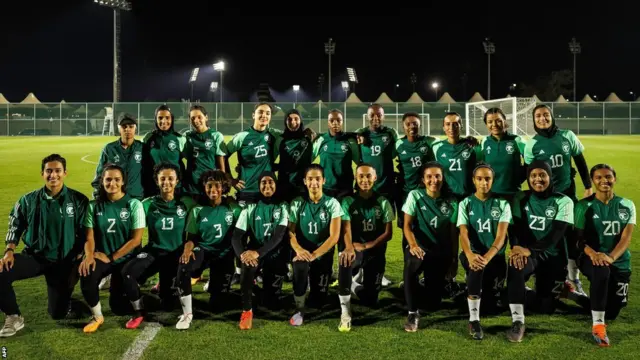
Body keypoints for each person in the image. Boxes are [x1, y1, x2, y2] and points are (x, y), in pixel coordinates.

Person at [0, 154, 88, 338]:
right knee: (1, 271)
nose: (53, 175)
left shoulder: (79, 200)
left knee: (57, 313)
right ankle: (14, 316)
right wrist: (9, 250)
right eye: (49, 171)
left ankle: (69, 302)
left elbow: (85, 233)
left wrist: (79, 258)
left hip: (64, 261)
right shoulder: (27, 200)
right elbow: (15, 225)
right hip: (35, 258)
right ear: (42, 173)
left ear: (65, 173)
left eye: (57, 171)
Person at [523, 104, 592, 294]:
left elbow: (579, 160)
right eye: (538, 116)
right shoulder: (532, 144)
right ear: (534, 120)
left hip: (567, 194)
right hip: (544, 198)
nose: (542, 118)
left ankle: (574, 278)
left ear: (552, 117)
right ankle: (538, 272)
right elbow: (529, 172)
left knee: (570, 236)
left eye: (546, 115)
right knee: (542, 233)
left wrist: (587, 185)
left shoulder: (567, 135)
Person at [120, 163, 196, 329]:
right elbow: (136, 230)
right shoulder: (147, 204)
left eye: (171, 178)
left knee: (168, 304)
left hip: (176, 254)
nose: (166, 182)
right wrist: (136, 252)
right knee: (127, 273)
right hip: (154, 252)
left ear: (177, 181)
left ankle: (167, 287)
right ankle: (139, 312)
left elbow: (194, 230)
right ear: (156, 181)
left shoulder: (187, 203)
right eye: (163, 178)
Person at [506, 161, 574, 343]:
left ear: (550, 177)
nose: (538, 179)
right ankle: (518, 320)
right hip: (529, 256)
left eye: (542, 175)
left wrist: (529, 250)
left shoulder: (563, 200)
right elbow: (515, 229)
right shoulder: (520, 197)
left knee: (546, 307)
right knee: (515, 266)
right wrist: (516, 250)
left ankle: (525, 291)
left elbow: (556, 234)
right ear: (528, 178)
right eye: (533, 176)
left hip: (553, 258)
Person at [78, 163, 146, 333]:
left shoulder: (133, 204)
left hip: (125, 258)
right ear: (102, 181)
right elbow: (89, 237)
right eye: (108, 179)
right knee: (87, 273)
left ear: (123, 182)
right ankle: (97, 316)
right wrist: (89, 256)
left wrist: (113, 257)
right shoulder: (94, 206)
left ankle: (141, 303)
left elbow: (136, 240)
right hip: (103, 257)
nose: (112, 183)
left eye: (117, 179)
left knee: (118, 307)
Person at [575, 164, 635, 347]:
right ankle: (598, 326)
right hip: (590, 257)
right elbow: (577, 240)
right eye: (599, 177)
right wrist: (593, 254)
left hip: (619, 261)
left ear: (614, 179)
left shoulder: (627, 205)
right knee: (601, 273)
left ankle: (573, 296)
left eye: (608, 176)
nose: (604, 181)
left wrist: (611, 258)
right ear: (593, 181)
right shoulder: (583, 206)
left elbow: (626, 238)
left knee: (614, 310)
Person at [174, 170, 240, 330]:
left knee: (218, 305)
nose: (213, 190)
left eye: (217, 186)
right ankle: (187, 314)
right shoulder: (197, 210)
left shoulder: (234, 208)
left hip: (224, 255)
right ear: (204, 187)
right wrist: (187, 251)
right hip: (204, 251)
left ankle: (218, 286)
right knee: (184, 267)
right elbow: (191, 237)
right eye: (209, 186)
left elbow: (241, 236)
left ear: (223, 187)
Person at [401, 162, 458, 332]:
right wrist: (413, 245)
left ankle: (426, 285)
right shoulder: (415, 195)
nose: (434, 180)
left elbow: (454, 233)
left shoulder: (452, 201)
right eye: (429, 177)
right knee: (412, 264)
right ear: (423, 180)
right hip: (419, 247)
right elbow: (407, 226)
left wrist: (454, 259)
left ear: (443, 178)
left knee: (433, 304)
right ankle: (412, 313)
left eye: (437, 176)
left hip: (440, 251)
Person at [337, 163, 394, 332]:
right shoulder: (348, 201)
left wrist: (370, 244)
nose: (364, 179)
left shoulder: (383, 201)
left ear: (375, 178)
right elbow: (345, 228)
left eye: (368, 176)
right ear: (356, 178)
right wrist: (349, 246)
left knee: (371, 300)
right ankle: (345, 310)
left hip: (374, 250)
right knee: (346, 260)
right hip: (354, 248)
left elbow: (388, 233)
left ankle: (355, 284)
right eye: (361, 176)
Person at [457, 163, 511, 340]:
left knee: (491, 306)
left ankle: (472, 289)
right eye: (479, 179)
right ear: (473, 181)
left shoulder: (502, 203)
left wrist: (487, 257)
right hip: (472, 255)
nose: (483, 183)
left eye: (487, 179)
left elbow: (501, 237)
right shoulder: (465, 203)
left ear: (493, 180)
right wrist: (471, 255)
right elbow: (463, 234)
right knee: (476, 269)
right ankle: (473, 320)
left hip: (495, 258)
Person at [231, 171, 289, 330]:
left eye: (271, 182)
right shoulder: (250, 208)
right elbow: (236, 237)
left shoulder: (282, 206)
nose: (267, 185)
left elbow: (278, 237)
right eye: (264, 182)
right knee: (247, 268)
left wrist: (258, 253)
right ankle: (247, 311)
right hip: (255, 254)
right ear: (259, 186)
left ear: (276, 185)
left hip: (275, 253)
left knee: (272, 303)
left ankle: (256, 290)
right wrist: (243, 255)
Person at [431, 112, 481, 297]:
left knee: (473, 240)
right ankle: (447, 279)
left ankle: (473, 279)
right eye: (448, 124)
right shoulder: (436, 147)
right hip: (447, 201)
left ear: (461, 125)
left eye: (456, 124)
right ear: (443, 127)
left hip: (469, 201)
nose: (452, 127)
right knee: (447, 241)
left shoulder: (473, 147)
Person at [288, 164, 343, 326]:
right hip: (302, 252)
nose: (314, 183)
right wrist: (299, 250)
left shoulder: (332, 203)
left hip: (322, 255)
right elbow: (290, 232)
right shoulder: (297, 203)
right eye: (310, 179)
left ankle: (316, 285)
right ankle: (299, 307)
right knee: (300, 266)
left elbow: (334, 237)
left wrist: (314, 255)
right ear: (305, 181)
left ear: (323, 181)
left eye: (317, 179)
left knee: (318, 301)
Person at [90, 113, 145, 200]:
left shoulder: (142, 148)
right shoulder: (109, 149)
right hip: (115, 199)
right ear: (119, 128)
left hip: (137, 199)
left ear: (135, 128)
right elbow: (99, 176)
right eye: (124, 126)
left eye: (131, 126)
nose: (127, 129)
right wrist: (98, 196)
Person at [478, 108, 526, 202]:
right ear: (486, 124)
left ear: (504, 121)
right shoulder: (485, 142)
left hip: (513, 194)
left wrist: (518, 178)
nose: (494, 125)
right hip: (490, 196)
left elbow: (531, 163)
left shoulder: (517, 141)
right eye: (490, 122)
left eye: (498, 121)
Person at [312, 109, 361, 201]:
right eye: (332, 120)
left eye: (338, 120)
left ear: (342, 122)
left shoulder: (350, 141)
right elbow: (308, 160)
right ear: (328, 122)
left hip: (345, 189)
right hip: (326, 188)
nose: (335, 123)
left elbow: (359, 162)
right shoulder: (321, 140)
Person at [142, 104, 187, 197]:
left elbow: (188, 161)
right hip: (154, 186)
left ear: (172, 119)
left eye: (167, 118)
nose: (164, 121)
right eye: (160, 118)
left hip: (174, 186)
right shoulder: (148, 138)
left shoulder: (179, 139)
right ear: (156, 119)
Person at [356, 104, 399, 202]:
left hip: (387, 184)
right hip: (366, 185)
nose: (375, 118)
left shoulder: (391, 133)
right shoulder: (361, 133)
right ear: (367, 116)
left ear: (383, 116)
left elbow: (398, 152)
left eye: (379, 115)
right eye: (372, 115)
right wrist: (357, 135)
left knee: (388, 214)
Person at [183, 104, 227, 195]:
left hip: (210, 183)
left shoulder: (216, 135)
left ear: (206, 117)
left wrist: (223, 181)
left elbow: (220, 161)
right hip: (191, 185)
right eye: (192, 118)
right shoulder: (187, 136)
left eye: (199, 117)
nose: (196, 120)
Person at [276, 109, 314, 202]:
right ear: (285, 122)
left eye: (296, 119)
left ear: (301, 121)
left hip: (303, 187)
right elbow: (269, 161)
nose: (293, 122)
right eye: (289, 119)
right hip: (284, 186)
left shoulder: (309, 139)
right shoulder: (280, 140)